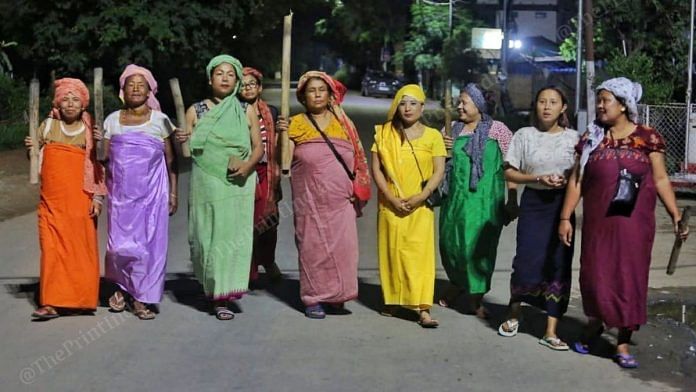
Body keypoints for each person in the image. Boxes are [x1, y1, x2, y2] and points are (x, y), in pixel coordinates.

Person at [558, 77, 690, 368]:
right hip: (598, 225)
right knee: (595, 276)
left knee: (629, 279)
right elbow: (577, 181)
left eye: (606, 100)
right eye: (600, 100)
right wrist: (566, 217)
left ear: (623, 104)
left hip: (634, 226)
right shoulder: (591, 139)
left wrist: (675, 213)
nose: (600, 105)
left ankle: (623, 341)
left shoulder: (648, 138)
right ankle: (595, 323)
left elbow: (660, 179)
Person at [175, 55, 263, 321]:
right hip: (206, 183)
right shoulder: (196, 110)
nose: (225, 78)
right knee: (206, 236)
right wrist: (183, 139)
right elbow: (188, 152)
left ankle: (222, 296)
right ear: (210, 78)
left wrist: (247, 167)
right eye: (219, 74)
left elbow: (258, 148)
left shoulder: (246, 109)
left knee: (230, 237)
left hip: (238, 183)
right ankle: (209, 284)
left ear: (237, 80)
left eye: (230, 74)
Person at [498, 86, 579, 350]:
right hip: (534, 203)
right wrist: (537, 178)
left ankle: (550, 330)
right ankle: (514, 311)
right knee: (526, 259)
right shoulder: (524, 135)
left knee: (558, 262)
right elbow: (509, 173)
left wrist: (565, 180)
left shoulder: (574, 139)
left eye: (553, 102)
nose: (546, 106)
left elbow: (581, 176)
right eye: (542, 101)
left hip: (562, 207)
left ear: (563, 107)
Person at [285, 71, 370, 319]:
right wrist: (282, 135)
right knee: (312, 247)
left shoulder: (343, 123)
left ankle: (338, 295)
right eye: (311, 90)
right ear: (303, 96)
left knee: (344, 249)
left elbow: (358, 158)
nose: (317, 94)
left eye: (322, 89)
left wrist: (358, 188)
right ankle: (314, 297)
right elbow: (284, 162)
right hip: (308, 200)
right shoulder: (296, 124)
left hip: (341, 199)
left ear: (330, 94)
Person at [24, 78, 106, 320]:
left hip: (81, 202)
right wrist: (31, 149)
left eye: (75, 100)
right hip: (51, 204)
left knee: (80, 251)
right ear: (58, 104)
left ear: (83, 105)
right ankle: (51, 302)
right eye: (65, 99)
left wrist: (98, 199)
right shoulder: (47, 126)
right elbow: (37, 162)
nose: (70, 104)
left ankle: (80, 300)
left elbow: (98, 167)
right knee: (51, 251)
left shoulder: (90, 130)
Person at [101, 64, 178, 320]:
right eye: (130, 84)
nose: (135, 88)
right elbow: (104, 160)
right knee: (119, 248)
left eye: (141, 84)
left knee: (148, 248)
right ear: (123, 90)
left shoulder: (160, 120)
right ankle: (123, 286)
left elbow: (171, 161)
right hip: (121, 198)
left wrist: (173, 193)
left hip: (152, 197)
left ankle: (140, 298)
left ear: (149, 91)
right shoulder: (112, 120)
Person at [438, 83, 518, 318]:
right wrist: (443, 149)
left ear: (479, 105)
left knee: (479, 249)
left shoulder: (498, 130)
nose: (459, 106)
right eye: (459, 102)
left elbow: (511, 166)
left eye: (465, 102)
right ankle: (458, 282)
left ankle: (475, 297)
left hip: (485, 203)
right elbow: (437, 164)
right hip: (455, 201)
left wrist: (512, 198)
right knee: (451, 245)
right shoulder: (451, 129)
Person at [371, 84, 446, 328]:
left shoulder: (434, 136)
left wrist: (422, 196)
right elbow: (376, 169)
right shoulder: (383, 134)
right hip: (390, 202)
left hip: (420, 204)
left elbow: (439, 171)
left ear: (422, 107)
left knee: (419, 255)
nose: (407, 108)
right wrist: (391, 198)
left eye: (413, 103)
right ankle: (392, 298)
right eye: (403, 103)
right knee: (392, 251)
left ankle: (422, 307)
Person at [239, 67, 285, 285]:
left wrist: (285, 129)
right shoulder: (234, 111)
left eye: (252, 84)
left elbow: (282, 145)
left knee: (269, 221)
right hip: (244, 170)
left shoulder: (272, 113)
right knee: (245, 221)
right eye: (243, 84)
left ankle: (269, 260)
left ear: (260, 88)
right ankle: (247, 268)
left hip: (268, 172)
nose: (247, 88)